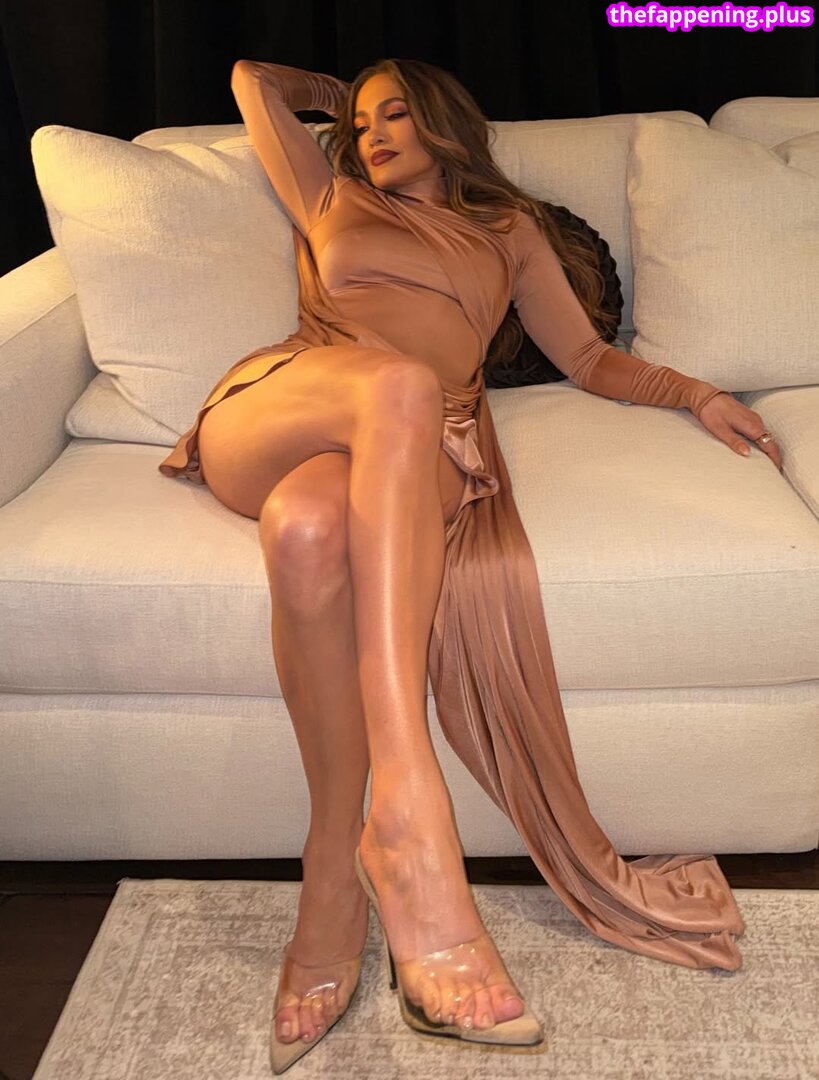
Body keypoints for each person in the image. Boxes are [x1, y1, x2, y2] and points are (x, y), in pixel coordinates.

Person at [158, 56, 782, 1073]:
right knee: (399, 382)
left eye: (396, 113)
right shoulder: (330, 196)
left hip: (413, 449)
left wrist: (696, 393)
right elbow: (245, 82)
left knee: (307, 531)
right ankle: (408, 817)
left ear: (446, 124)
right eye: (362, 122)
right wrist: (329, 94)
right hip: (290, 401)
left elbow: (588, 358)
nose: (373, 134)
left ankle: (331, 878)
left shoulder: (509, 231)